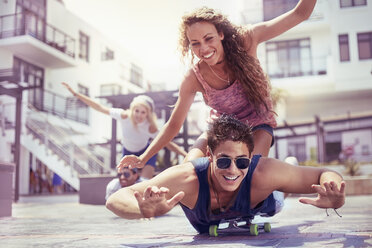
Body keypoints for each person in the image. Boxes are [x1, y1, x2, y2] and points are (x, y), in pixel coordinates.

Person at [117, 0, 318, 172]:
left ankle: (283, 179)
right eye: (195, 43)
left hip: (257, 124)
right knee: (189, 169)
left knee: (249, 172)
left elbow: (300, 13)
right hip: (221, 127)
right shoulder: (193, 77)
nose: (203, 48)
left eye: (208, 38)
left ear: (220, 33)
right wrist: (143, 158)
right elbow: (174, 124)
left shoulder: (246, 40)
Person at [106, 115, 345, 234]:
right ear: (210, 157)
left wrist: (336, 195)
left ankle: (290, 165)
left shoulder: (262, 171)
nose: (232, 170)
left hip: (263, 204)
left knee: (279, 194)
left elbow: (325, 173)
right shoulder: (187, 178)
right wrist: (142, 210)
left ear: (250, 159)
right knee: (191, 160)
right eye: (223, 161)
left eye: (241, 161)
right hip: (204, 193)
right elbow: (116, 198)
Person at [62, 82, 187, 179]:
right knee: (125, 180)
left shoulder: (150, 126)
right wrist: (76, 94)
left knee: (144, 181)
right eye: (136, 111)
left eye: (143, 112)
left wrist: (186, 155)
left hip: (146, 152)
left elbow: (167, 143)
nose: (139, 115)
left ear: (148, 114)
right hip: (127, 151)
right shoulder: (124, 116)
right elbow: (100, 107)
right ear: (132, 109)